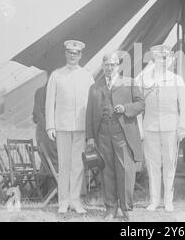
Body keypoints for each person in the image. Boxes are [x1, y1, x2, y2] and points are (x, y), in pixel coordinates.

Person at [85, 52, 144, 222]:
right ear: (102, 67)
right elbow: (89, 114)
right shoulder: (94, 87)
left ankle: (126, 209)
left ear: (118, 65)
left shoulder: (130, 83)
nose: (109, 68)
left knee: (125, 170)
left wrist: (125, 108)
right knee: (106, 172)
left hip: (123, 135)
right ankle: (110, 208)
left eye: (112, 65)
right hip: (102, 135)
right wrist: (90, 137)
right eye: (106, 65)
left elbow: (141, 104)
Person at [45, 40, 95, 214]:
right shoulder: (56, 75)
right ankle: (63, 202)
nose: (73, 56)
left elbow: (91, 104)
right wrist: (50, 126)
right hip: (62, 126)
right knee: (64, 165)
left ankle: (75, 201)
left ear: (81, 55)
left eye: (76, 53)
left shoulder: (87, 76)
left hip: (81, 127)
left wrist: (90, 128)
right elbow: (50, 102)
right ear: (65, 54)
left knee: (77, 166)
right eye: (70, 52)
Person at [139, 45, 185, 212]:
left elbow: (184, 105)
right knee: (153, 165)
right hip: (150, 126)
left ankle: (168, 200)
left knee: (169, 164)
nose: (162, 61)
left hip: (170, 127)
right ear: (153, 60)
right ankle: (154, 200)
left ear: (170, 60)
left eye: (165, 58)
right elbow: (139, 104)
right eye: (158, 58)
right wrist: (140, 128)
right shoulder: (145, 79)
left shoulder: (176, 79)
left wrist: (182, 126)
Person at [33, 74, 58, 171]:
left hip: (53, 133)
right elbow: (37, 114)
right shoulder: (41, 92)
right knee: (51, 160)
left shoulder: (57, 92)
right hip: (45, 133)